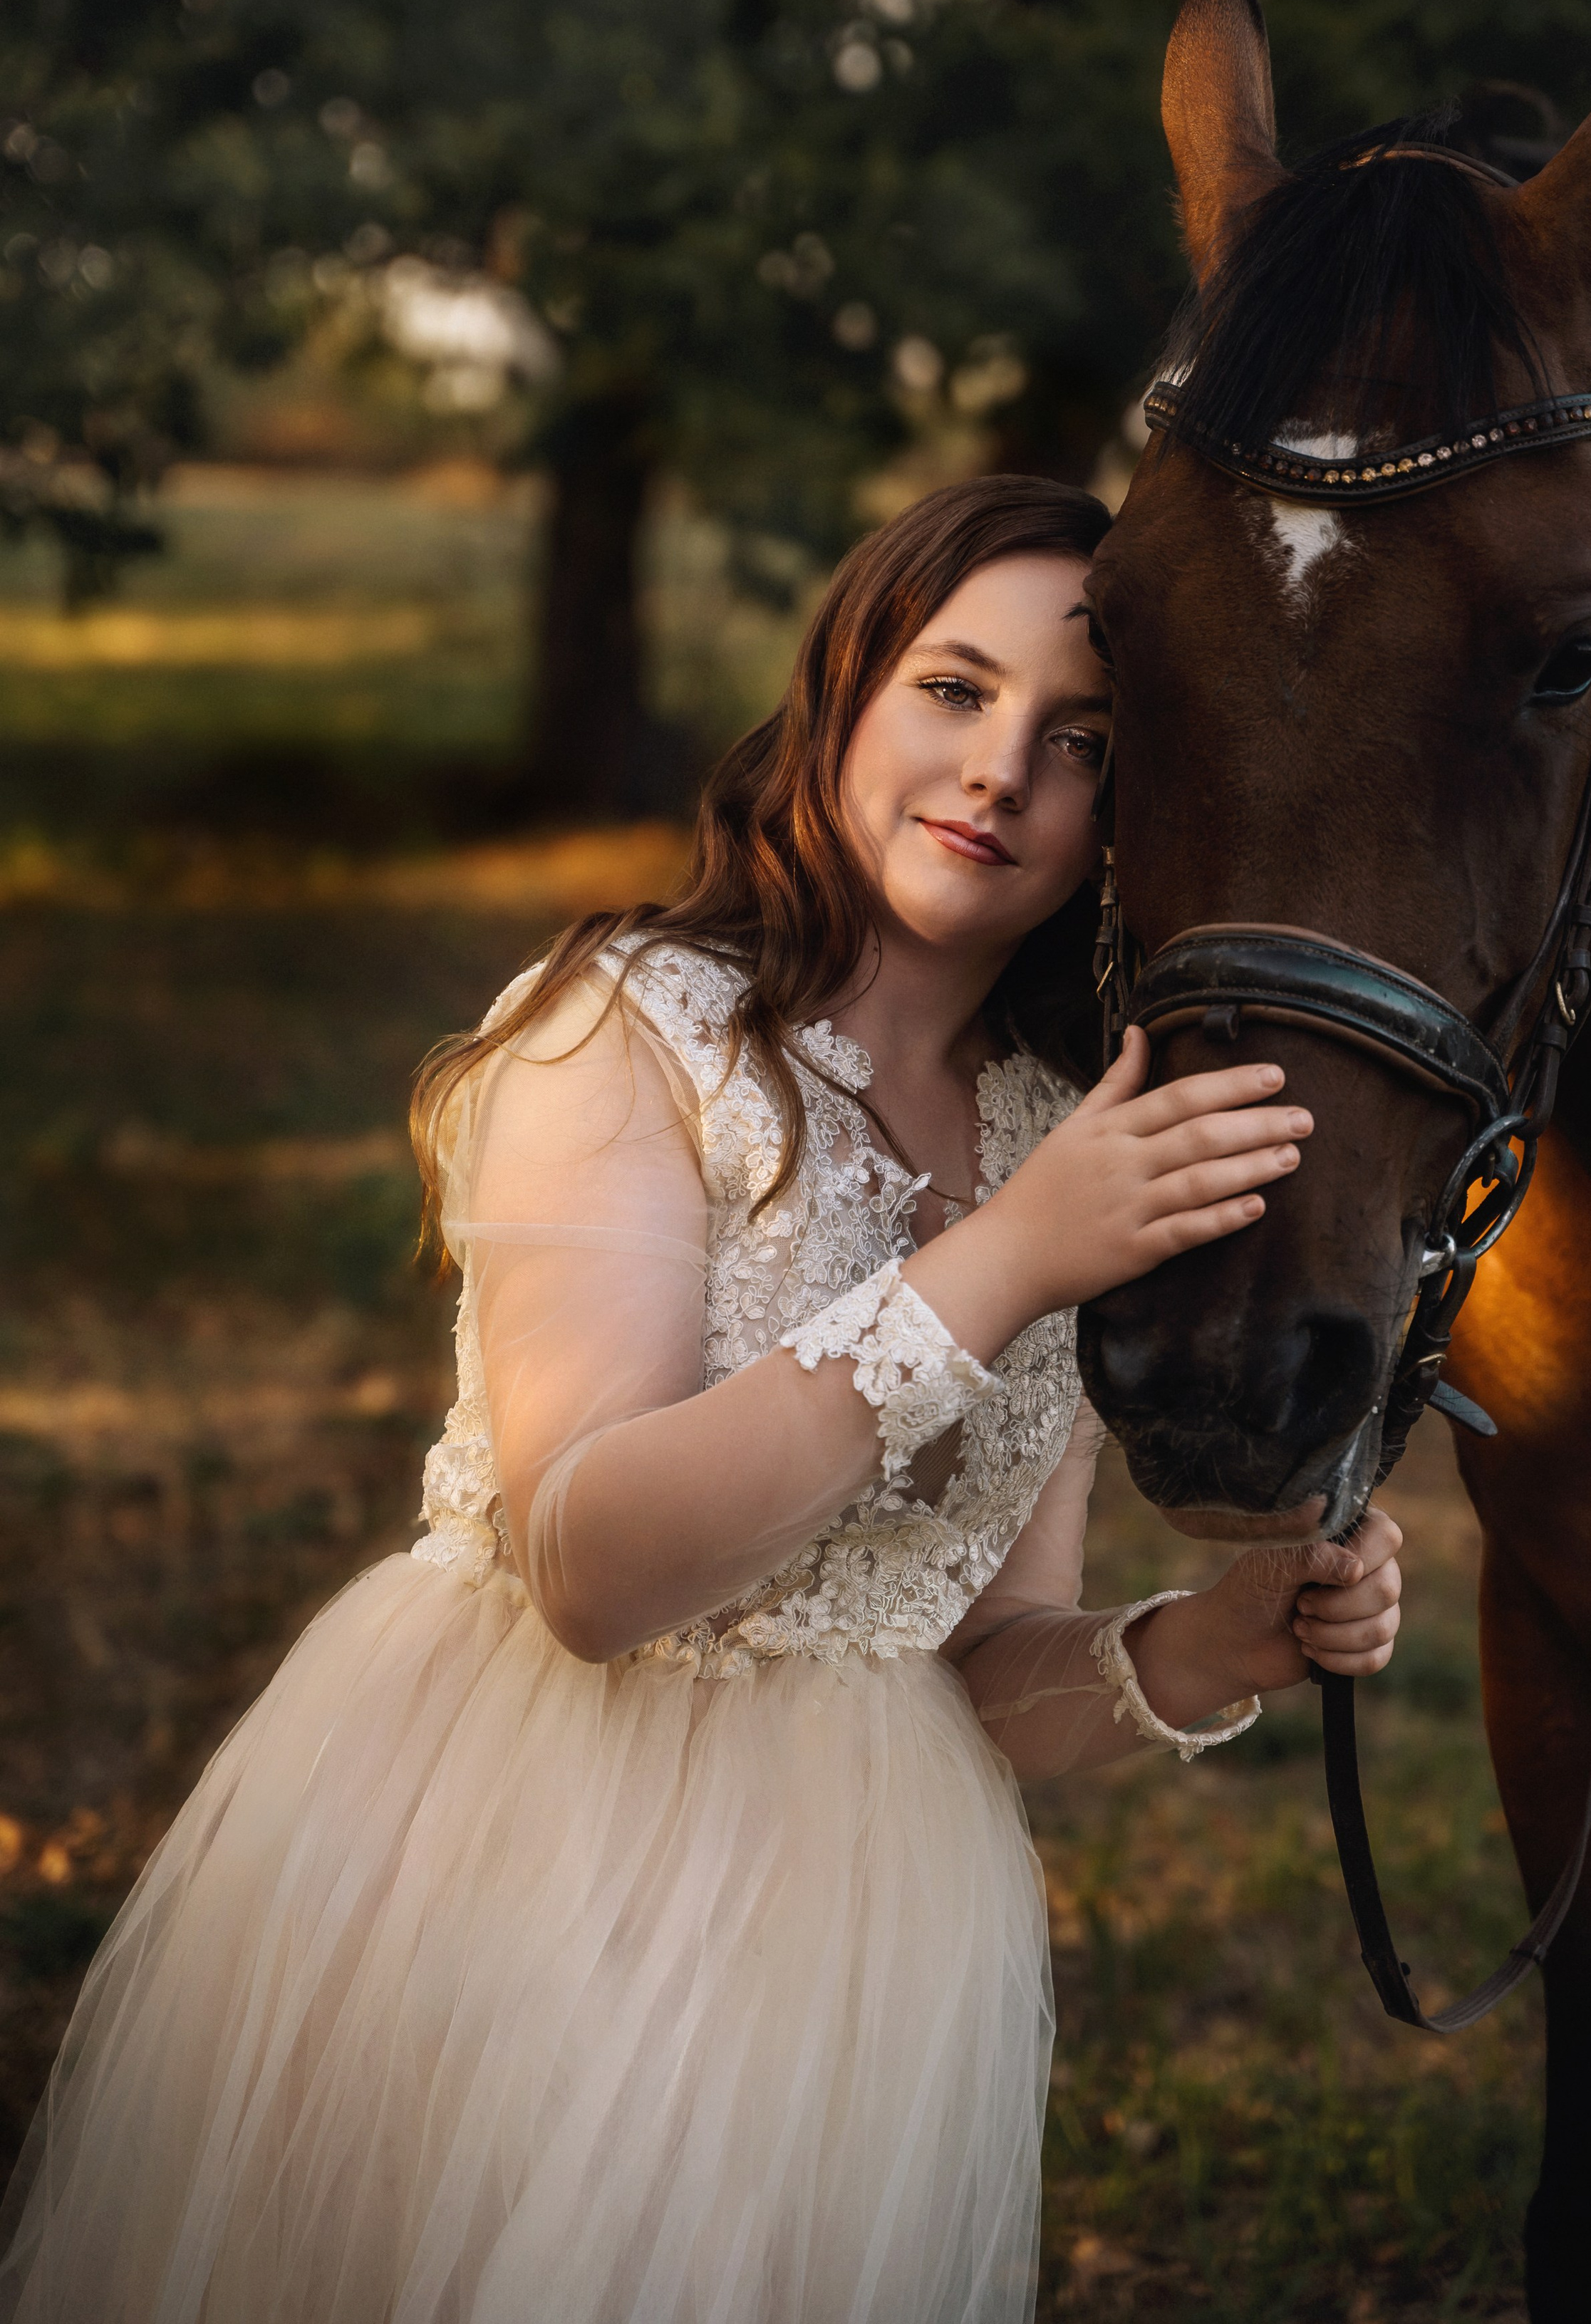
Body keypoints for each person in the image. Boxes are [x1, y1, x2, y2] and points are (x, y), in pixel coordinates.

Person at [0, 474, 1401, 2324]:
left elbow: (981, 1675)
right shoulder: (629, 1030)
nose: (1000, 772)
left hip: (848, 1952)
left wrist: (1211, 1645)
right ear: (843, 694)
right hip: (525, 1868)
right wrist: (1003, 1266)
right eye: (954, 690)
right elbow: (592, 1570)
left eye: (1083, 740)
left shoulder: (1057, 1135)